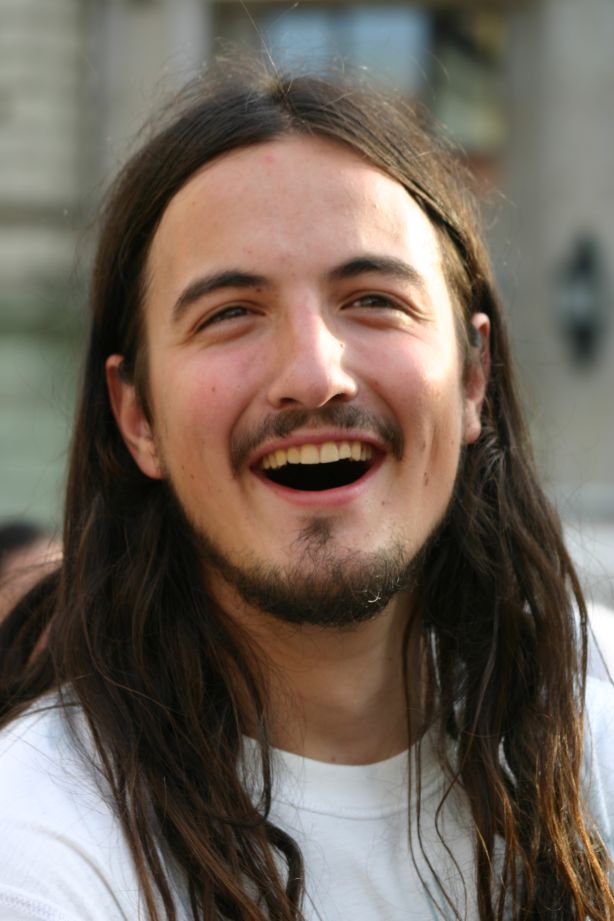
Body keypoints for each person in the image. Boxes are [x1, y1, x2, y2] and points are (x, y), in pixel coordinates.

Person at [0, 61, 612, 921]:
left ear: (473, 377)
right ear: (137, 417)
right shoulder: (38, 843)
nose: (316, 374)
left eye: (373, 299)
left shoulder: (593, 742)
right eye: (229, 313)